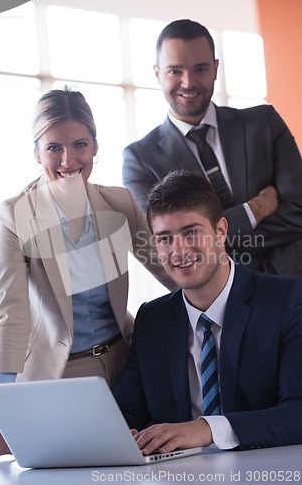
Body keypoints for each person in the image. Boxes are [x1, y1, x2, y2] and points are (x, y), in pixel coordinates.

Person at [0, 87, 176, 464]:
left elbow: (171, 271)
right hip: (60, 377)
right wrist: (1, 424)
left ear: (96, 145)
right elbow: (11, 318)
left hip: (125, 364)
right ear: (36, 153)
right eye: (53, 148)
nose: (68, 159)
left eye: (80, 144)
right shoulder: (15, 215)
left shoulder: (120, 203)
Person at [113, 170, 302, 454]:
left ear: (221, 231)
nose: (179, 251)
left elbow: (298, 412)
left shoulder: (287, 300)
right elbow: (122, 415)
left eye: (191, 232)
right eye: (165, 238)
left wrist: (206, 429)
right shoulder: (152, 319)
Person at [122, 19, 302, 275]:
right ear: (157, 73)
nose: (188, 82)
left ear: (216, 69)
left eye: (200, 69)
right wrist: (255, 208)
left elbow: (300, 213)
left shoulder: (265, 123)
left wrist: (209, 243)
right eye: (175, 71)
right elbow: (166, 251)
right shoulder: (140, 160)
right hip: (222, 307)